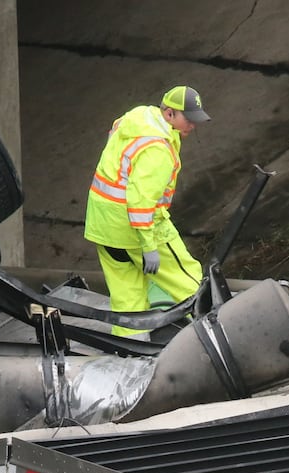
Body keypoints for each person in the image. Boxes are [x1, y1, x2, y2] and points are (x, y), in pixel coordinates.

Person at [84, 85, 211, 337]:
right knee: (191, 284)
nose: (193, 126)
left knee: (127, 302)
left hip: (104, 226)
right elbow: (140, 201)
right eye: (189, 119)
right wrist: (148, 245)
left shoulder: (136, 118)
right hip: (137, 229)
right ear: (170, 114)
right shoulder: (157, 150)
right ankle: (223, 340)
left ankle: (129, 356)